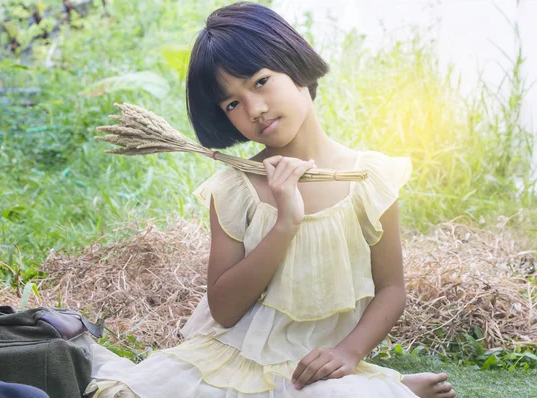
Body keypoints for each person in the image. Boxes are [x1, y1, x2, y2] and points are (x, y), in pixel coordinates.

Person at [87, 2, 457, 397]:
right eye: (232, 104)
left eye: (260, 81)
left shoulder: (368, 178)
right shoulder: (234, 187)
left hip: (313, 368)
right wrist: (285, 224)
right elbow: (225, 311)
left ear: (295, 65)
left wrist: (349, 352)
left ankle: (377, 383)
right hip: (235, 356)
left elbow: (391, 289)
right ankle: (387, 387)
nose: (255, 110)